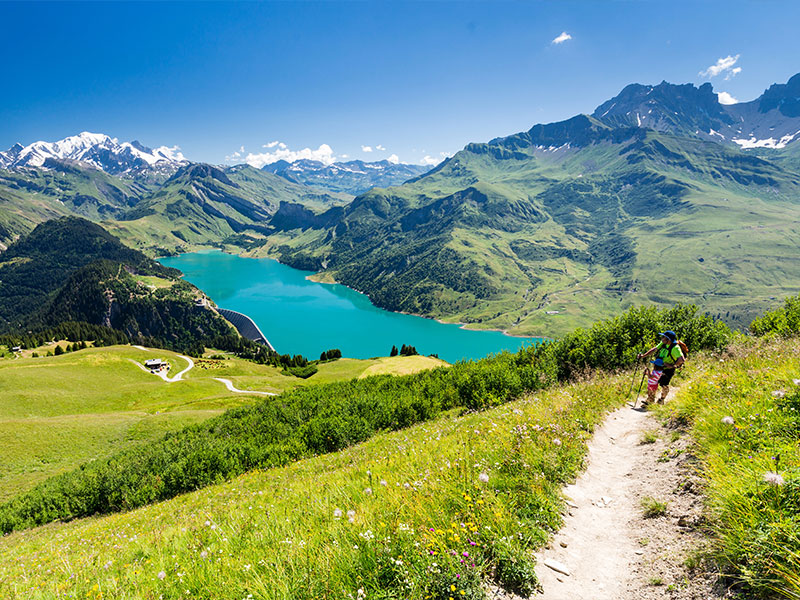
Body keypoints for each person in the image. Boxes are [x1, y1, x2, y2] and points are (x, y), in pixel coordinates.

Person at [637, 330, 684, 405]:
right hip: (658, 367)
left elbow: (681, 359)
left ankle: (661, 400)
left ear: (668, 339)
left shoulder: (675, 348)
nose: (662, 338)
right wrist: (643, 356)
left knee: (664, 385)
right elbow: (654, 350)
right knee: (653, 382)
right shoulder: (663, 344)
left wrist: (672, 365)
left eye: (663, 337)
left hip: (668, 370)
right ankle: (650, 400)